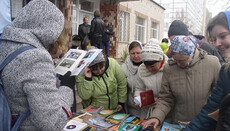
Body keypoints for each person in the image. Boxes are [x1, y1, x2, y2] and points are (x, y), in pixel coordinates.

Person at [0, 0, 75, 130]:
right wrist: (67, 88)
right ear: (51, 31)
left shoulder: (4, 44)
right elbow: (52, 123)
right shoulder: (36, 58)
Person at [142, 35, 221, 130]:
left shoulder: (212, 63)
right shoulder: (170, 68)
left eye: (182, 61)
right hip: (179, 124)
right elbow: (166, 99)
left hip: (204, 124)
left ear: (191, 53)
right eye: (176, 60)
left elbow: (220, 97)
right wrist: (156, 117)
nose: (178, 64)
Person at [184, 11, 230, 131]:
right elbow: (210, 110)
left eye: (223, 36)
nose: (217, 44)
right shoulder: (226, 71)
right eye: (214, 39)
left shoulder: (214, 63)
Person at [134, 41, 168, 119]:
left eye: (152, 66)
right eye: (146, 66)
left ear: (160, 60)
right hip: (147, 112)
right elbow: (139, 88)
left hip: (165, 112)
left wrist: (161, 102)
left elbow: (173, 93)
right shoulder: (142, 69)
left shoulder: (169, 68)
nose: (149, 69)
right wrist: (137, 98)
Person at [121, 40, 143, 116]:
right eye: (133, 53)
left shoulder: (148, 66)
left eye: (138, 53)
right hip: (132, 107)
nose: (136, 56)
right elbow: (122, 87)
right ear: (129, 53)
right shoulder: (124, 67)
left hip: (147, 107)